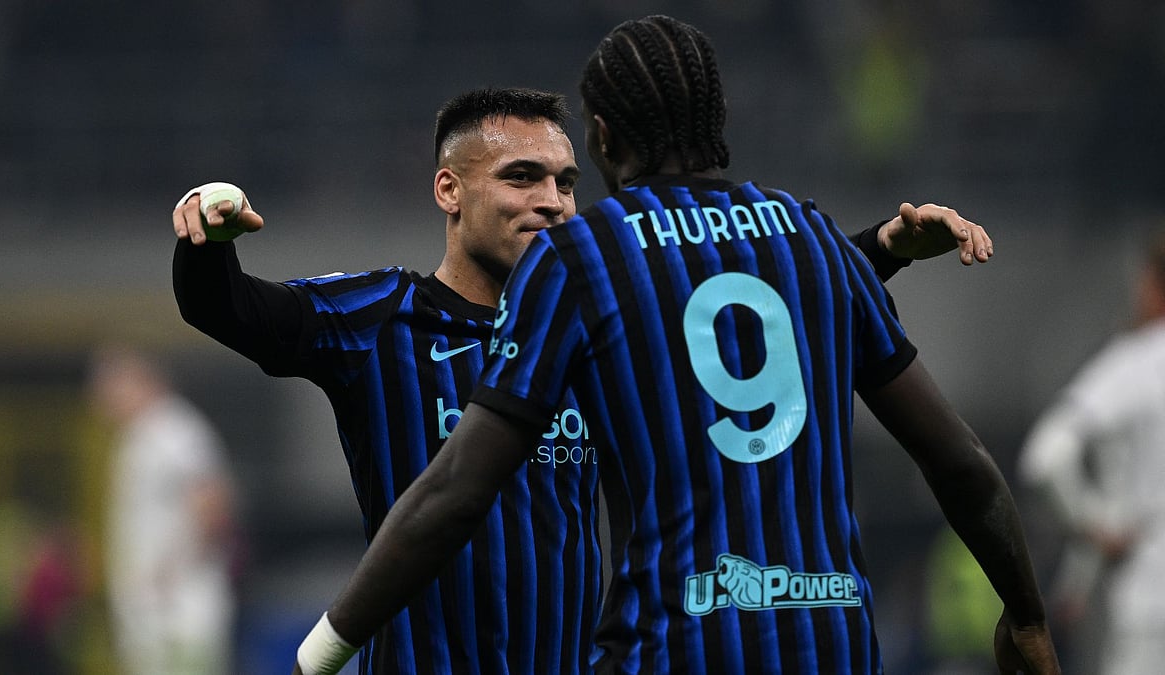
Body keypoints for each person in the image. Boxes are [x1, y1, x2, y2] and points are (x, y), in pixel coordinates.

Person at [291, 16, 1059, 675]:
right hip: (832, 640)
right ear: (717, 117)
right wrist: (1025, 613)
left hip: (673, 644)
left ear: (600, 136)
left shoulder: (582, 258)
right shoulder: (814, 239)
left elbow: (457, 487)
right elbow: (958, 459)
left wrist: (320, 650)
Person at [1020, 231, 1165, 675]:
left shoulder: (1135, 363)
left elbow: (1044, 459)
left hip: (1147, 599)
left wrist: (1094, 529)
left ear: (1152, 283)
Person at [86, 344, 239, 675]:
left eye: (111, 384)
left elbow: (212, 501)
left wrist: (173, 571)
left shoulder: (174, 429)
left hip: (180, 612)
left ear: (140, 380)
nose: (102, 396)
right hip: (153, 612)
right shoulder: (138, 436)